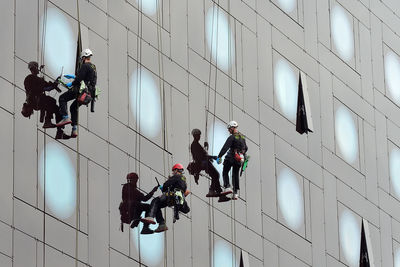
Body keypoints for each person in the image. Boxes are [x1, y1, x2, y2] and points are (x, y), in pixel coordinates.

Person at [56, 48, 97, 138]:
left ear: (83, 57)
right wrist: (75, 76)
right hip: (87, 94)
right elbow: (88, 79)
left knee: (62, 98)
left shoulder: (85, 66)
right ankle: (74, 129)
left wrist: (71, 83)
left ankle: (65, 117)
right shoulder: (93, 67)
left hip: (79, 90)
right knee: (73, 107)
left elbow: (79, 79)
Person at [23, 61, 69, 139]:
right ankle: (47, 121)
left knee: (57, 109)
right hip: (35, 101)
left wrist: (55, 83)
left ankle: (59, 132)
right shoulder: (29, 78)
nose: (38, 69)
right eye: (37, 67)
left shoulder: (38, 79)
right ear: (34, 68)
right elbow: (35, 89)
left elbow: (48, 86)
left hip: (40, 101)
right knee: (51, 101)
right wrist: (48, 87)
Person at [141, 164, 190, 232]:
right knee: (157, 206)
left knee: (155, 201)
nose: (173, 172)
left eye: (173, 171)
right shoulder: (183, 179)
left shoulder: (176, 176)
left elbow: (166, 185)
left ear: (176, 170)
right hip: (177, 198)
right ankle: (162, 224)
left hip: (172, 195)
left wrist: (163, 187)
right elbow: (180, 188)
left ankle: (150, 217)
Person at [188, 129, 230, 202]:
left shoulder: (196, 145)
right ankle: (212, 190)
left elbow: (202, 154)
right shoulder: (195, 145)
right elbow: (201, 156)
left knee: (215, 176)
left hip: (204, 163)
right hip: (204, 164)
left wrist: (205, 149)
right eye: (198, 135)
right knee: (216, 175)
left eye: (199, 135)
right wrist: (213, 157)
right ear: (195, 136)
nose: (199, 136)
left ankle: (220, 195)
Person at [216, 121, 248, 200]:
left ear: (233, 128)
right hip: (239, 160)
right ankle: (235, 193)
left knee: (225, 172)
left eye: (229, 129)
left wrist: (219, 156)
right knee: (235, 175)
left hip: (230, 157)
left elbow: (225, 147)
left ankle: (227, 187)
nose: (228, 131)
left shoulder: (232, 137)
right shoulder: (242, 137)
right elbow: (246, 148)